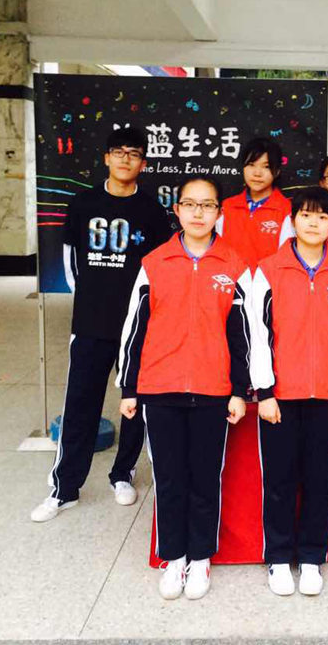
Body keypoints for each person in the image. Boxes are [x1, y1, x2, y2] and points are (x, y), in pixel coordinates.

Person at [117, 175, 251, 601]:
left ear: (218, 213)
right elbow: (134, 328)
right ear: (177, 210)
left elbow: (243, 335)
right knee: (170, 477)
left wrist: (240, 390)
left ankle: (201, 557)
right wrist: (129, 387)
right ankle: (174, 557)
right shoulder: (155, 262)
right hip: (161, 387)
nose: (198, 213)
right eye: (190, 204)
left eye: (207, 205)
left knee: (205, 477)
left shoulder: (234, 265)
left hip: (213, 389)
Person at [31, 128, 172, 523]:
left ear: (144, 163)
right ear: (107, 157)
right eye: (118, 152)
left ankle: (122, 474)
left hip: (137, 326)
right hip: (91, 323)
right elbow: (71, 264)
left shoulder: (152, 210)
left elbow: (159, 270)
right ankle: (64, 488)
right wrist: (93, 301)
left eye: (134, 153)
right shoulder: (83, 203)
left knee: (135, 403)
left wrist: (142, 314)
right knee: (80, 404)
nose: (126, 158)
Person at [250, 186, 328, 597]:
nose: (314, 223)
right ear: (292, 220)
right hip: (281, 395)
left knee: (319, 479)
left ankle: (312, 557)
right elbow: (258, 334)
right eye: (306, 215)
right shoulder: (269, 269)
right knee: (280, 479)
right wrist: (265, 391)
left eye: (323, 217)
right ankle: (279, 558)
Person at [217, 137, 291, 269]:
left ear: (277, 171)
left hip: (268, 281)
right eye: (251, 165)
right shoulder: (226, 207)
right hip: (229, 279)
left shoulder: (287, 210)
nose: (257, 173)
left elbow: (286, 259)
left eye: (266, 167)